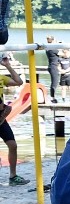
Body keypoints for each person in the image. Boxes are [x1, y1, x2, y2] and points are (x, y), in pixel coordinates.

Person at [0, 54, 26, 186]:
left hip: (1, 117)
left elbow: (19, 82)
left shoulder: (1, 78)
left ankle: (13, 176)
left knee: (13, 145)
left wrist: (8, 65)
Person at [45, 36, 60, 104]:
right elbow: (64, 54)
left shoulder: (48, 48)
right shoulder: (53, 49)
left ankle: (53, 97)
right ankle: (52, 97)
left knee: (54, 82)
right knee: (55, 83)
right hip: (54, 67)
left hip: (52, 66)